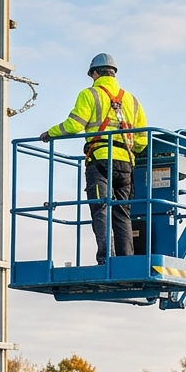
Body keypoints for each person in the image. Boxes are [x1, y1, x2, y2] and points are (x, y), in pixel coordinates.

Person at [40, 53, 148, 265]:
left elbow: (74, 125)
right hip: (125, 165)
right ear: (114, 73)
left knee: (101, 209)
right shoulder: (132, 100)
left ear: (95, 74)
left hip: (99, 161)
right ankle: (126, 261)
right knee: (122, 213)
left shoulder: (90, 94)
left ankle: (106, 258)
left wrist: (50, 133)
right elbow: (142, 140)